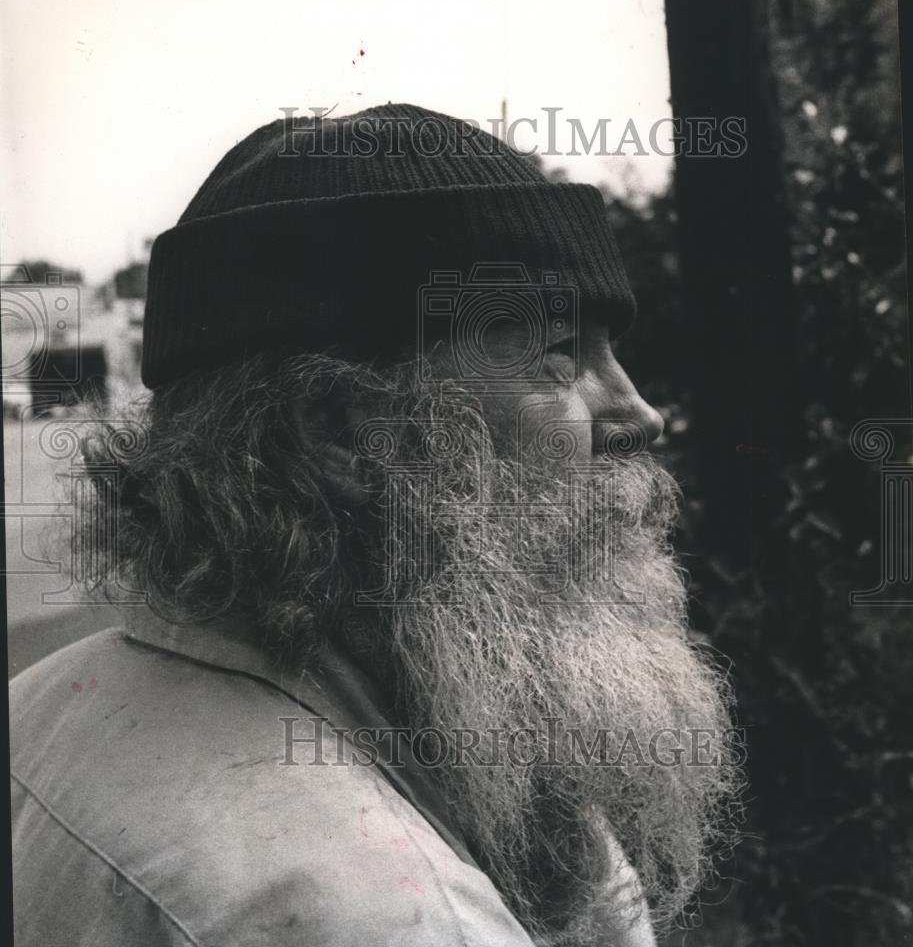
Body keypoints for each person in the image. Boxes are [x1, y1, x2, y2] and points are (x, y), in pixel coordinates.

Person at [9, 104, 741, 946]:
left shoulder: (40, 706)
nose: (639, 414)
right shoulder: (388, 915)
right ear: (345, 433)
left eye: (612, 353)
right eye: (555, 360)